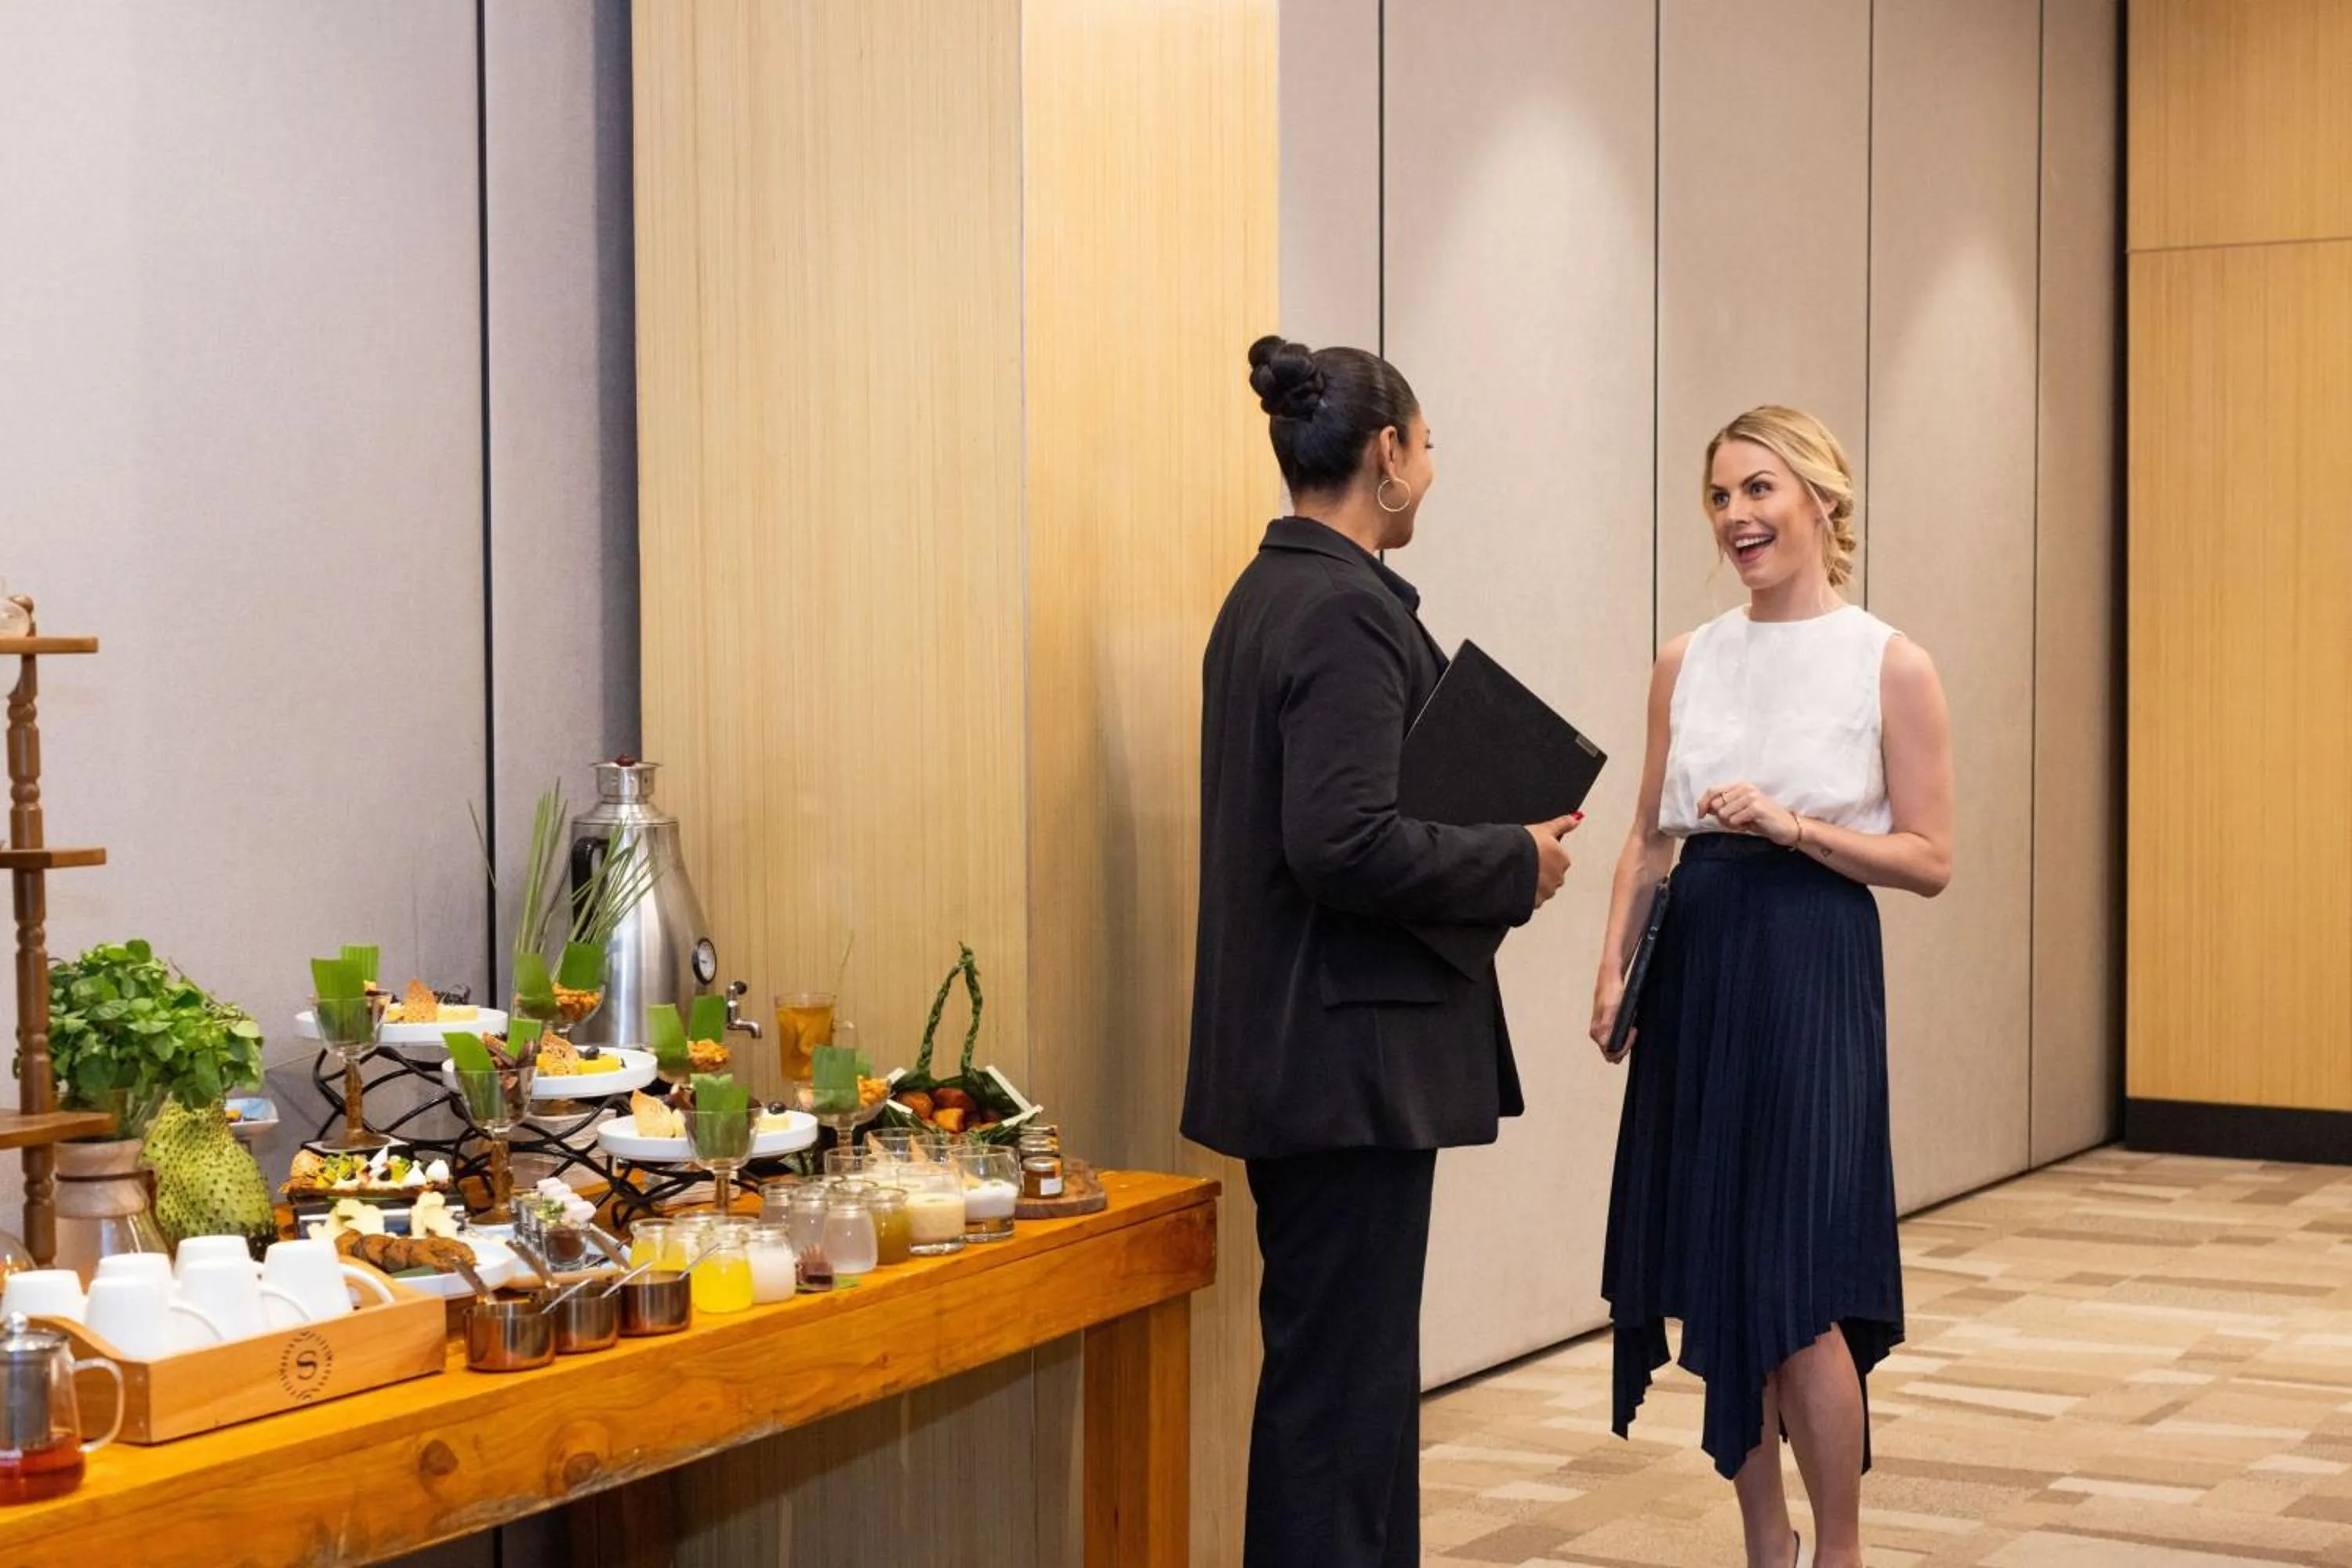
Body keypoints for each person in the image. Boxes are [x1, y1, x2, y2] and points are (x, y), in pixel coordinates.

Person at [1184, 335, 1578, 1567]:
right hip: (1344, 1070)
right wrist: (1514, 858)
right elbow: (1341, 843)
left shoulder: (1269, 594)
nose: (1432, 471)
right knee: (1341, 1412)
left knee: (1335, 1395)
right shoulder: (1343, 609)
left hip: (1308, 1062)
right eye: (1429, 444)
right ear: (1389, 453)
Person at [1589, 405, 1955, 1568]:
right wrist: (1614, 970)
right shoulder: (1686, 659)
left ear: (1822, 501)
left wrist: (1796, 827)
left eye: (1759, 489)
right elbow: (1649, 837)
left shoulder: (1889, 662)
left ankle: (1839, 1550)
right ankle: (1766, 1545)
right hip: (1700, 972)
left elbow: (1931, 858)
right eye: (1720, 496)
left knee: (1795, 1286)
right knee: (1718, 1271)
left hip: (1811, 970)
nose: (1736, 516)